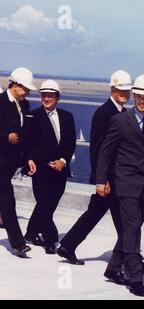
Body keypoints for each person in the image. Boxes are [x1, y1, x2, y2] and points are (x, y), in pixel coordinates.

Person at [95, 74, 144, 297]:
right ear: (134, 95)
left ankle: (113, 268)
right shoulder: (120, 121)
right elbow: (105, 151)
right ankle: (134, 279)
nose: (141, 100)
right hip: (124, 182)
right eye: (138, 96)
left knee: (131, 228)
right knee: (133, 230)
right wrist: (100, 180)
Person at [57, 70, 136, 270]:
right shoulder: (105, 112)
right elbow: (98, 148)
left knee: (118, 219)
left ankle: (69, 245)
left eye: (127, 90)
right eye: (120, 90)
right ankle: (131, 257)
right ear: (112, 89)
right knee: (121, 220)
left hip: (117, 176)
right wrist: (102, 179)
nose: (124, 94)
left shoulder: (122, 112)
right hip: (109, 178)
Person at [23, 80, 76, 254]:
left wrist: (63, 160)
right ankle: (51, 240)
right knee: (45, 202)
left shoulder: (67, 116)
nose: (46, 98)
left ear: (57, 97)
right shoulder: (33, 116)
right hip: (40, 169)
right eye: (43, 95)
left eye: (50, 95)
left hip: (60, 169)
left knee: (49, 204)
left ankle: (31, 232)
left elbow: (71, 143)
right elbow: (27, 143)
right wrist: (30, 160)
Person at [0, 67, 36, 257]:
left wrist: (28, 157)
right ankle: (18, 243)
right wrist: (6, 137)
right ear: (14, 85)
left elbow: (26, 135)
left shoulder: (26, 105)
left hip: (12, 162)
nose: (28, 92)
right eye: (26, 88)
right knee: (7, 200)